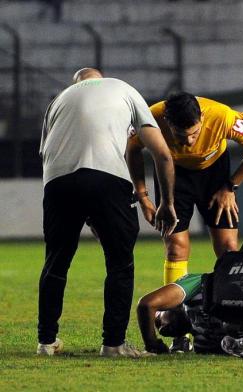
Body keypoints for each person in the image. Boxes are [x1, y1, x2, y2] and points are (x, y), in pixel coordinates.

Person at [37, 68, 177, 357]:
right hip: (108, 179)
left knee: (56, 262)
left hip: (57, 184)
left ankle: (46, 342)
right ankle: (113, 344)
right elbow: (162, 153)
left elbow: (46, 154)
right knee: (120, 263)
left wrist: (81, 210)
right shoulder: (122, 88)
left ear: (77, 84)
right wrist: (167, 203)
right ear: (100, 79)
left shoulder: (58, 101)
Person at [128, 92, 243, 351]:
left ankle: (235, 325)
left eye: (194, 133)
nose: (190, 141)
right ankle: (178, 328)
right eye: (182, 136)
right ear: (168, 123)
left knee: (228, 248)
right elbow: (132, 149)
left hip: (215, 176)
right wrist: (143, 196)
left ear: (202, 117)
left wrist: (230, 186)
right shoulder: (151, 117)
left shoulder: (224, 117)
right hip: (173, 177)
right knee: (176, 247)